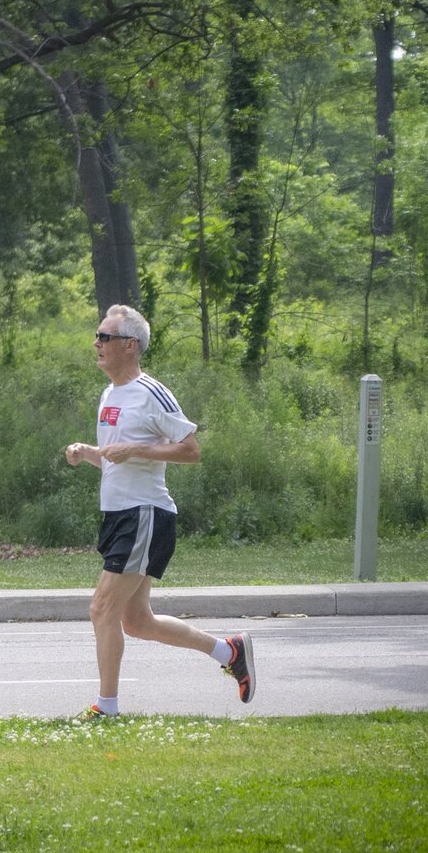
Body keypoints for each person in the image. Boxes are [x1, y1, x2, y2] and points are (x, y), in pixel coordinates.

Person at [63, 304, 254, 718]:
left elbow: (191, 450)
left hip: (144, 515)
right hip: (118, 515)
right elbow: (116, 459)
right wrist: (87, 452)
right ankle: (229, 651)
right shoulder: (109, 395)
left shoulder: (151, 392)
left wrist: (136, 448)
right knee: (137, 622)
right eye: (97, 336)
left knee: (101, 608)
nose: (96, 343)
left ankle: (106, 708)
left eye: (105, 337)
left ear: (130, 345)